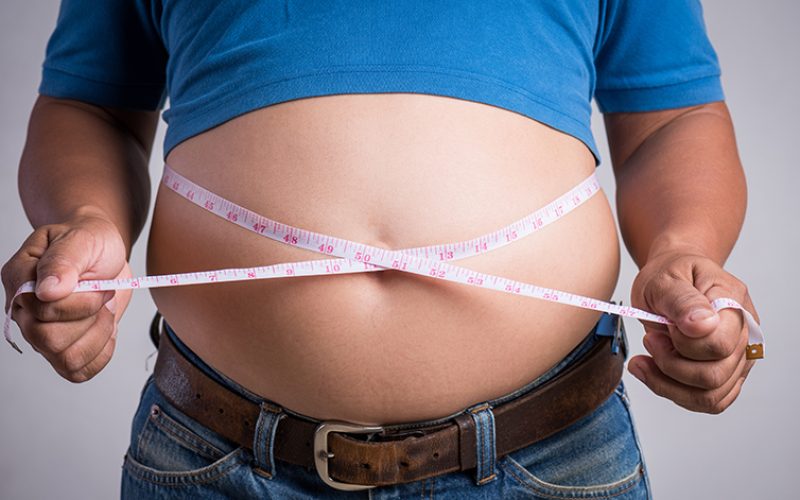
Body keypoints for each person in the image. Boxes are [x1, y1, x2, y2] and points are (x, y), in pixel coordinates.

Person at [1, 1, 760, 498]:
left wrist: (681, 247)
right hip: (219, 460)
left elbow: (673, 114)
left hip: (549, 457)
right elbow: (89, 101)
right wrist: (84, 215)